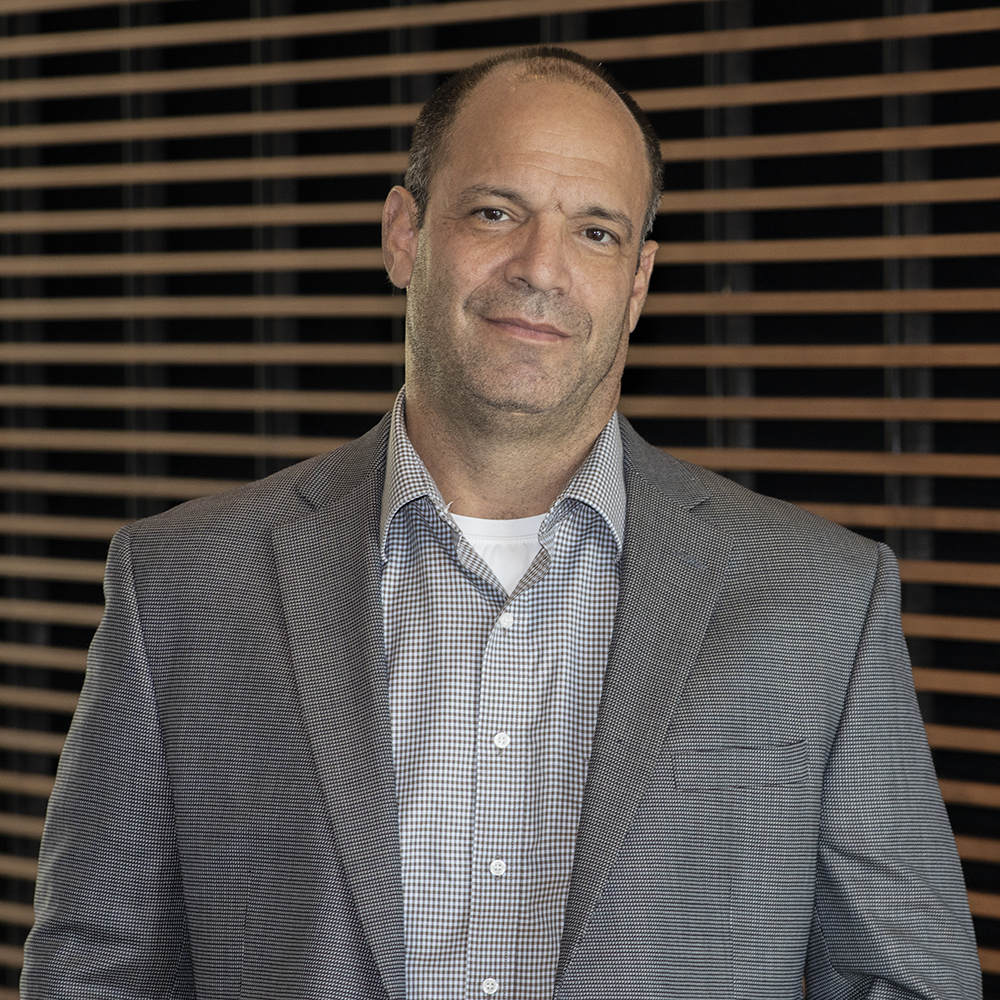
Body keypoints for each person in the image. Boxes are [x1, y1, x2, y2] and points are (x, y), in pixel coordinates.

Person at [22, 45, 979, 1000]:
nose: (541, 268)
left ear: (638, 282)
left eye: (595, 232)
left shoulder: (822, 603)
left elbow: (906, 983)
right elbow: (98, 973)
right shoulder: (183, 584)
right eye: (495, 212)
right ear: (404, 235)